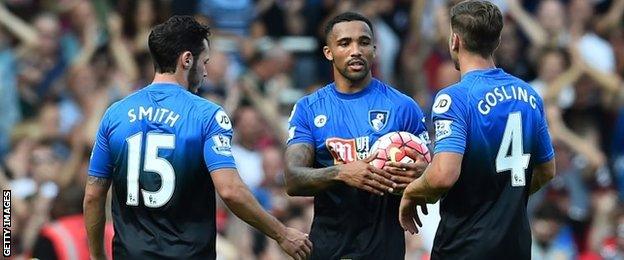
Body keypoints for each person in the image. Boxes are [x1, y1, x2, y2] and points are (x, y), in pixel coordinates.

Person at [83, 16, 312, 260]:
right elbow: (230, 190)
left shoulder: (115, 114)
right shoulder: (207, 115)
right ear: (187, 60)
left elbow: (93, 196)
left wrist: (98, 256)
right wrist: (281, 233)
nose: (205, 72)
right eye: (205, 62)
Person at [397, 1, 556, 259]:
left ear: (455, 41)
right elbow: (547, 170)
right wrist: (503, 199)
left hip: (465, 245)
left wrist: (413, 191)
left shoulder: (454, 98)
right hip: (515, 246)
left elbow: (443, 176)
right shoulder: (529, 95)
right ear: (497, 41)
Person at [285, 12, 429, 259]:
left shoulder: (403, 107)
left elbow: (433, 170)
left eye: (363, 42)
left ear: (374, 48)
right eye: (344, 43)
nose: (356, 50)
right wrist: (342, 172)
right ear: (328, 52)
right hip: (329, 248)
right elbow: (293, 179)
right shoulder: (309, 108)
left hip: (385, 249)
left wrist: (424, 175)